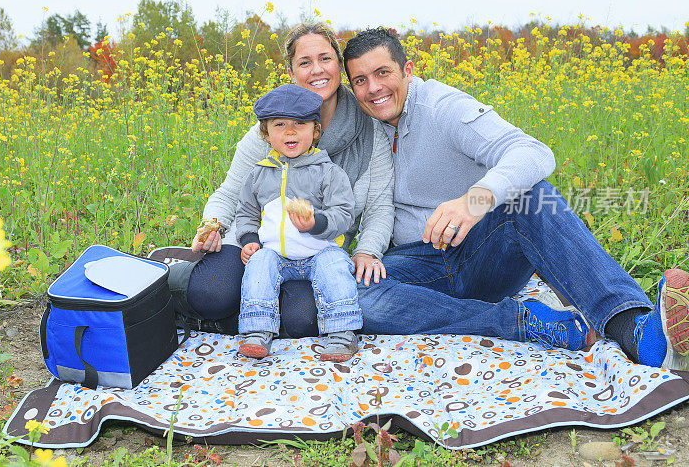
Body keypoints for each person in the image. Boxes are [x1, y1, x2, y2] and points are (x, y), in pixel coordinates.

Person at [340, 27, 689, 369]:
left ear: (408, 70)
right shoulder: (363, 126)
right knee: (350, 293)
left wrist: (473, 201)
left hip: (479, 254)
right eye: (360, 80)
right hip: (415, 266)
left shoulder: (444, 108)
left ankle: (636, 331)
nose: (373, 88)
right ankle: (531, 323)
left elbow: (532, 152)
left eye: (383, 73)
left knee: (534, 197)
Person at [165, 22, 394, 338]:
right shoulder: (273, 127)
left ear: (339, 66)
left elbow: (380, 208)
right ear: (291, 73)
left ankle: (227, 323)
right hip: (257, 245)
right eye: (304, 62)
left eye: (325, 59)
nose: (317, 70)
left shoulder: (370, 132)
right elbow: (230, 193)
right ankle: (167, 275)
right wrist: (212, 226)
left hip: (318, 251)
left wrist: (367, 250)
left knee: (302, 320)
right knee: (212, 294)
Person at [235, 84, 361, 361]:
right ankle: (257, 331)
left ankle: (342, 334)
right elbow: (245, 213)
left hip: (319, 251)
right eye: (279, 125)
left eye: (300, 124)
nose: (290, 131)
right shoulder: (258, 175)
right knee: (259, 264)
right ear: (266, 134)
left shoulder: (328, 172)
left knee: (336, 265)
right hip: (276, 254)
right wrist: (249, 241)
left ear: (316, 131)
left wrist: (315, 223)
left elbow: (344, 214)